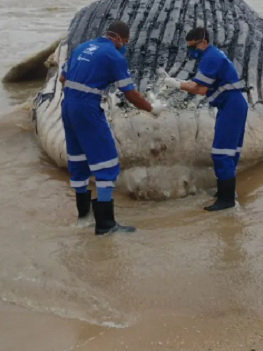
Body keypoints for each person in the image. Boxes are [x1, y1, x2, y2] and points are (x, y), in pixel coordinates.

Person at [59, 21, 163, 235]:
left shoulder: (82, 47)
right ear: (118, 38)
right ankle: (106, 224)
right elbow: (130, 94)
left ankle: (83, 218)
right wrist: (152, 109)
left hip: (68, 106)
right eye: (124, 42)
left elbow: (62, 78)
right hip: (87, 108)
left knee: (78, 160)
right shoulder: (113, 56)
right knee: (106, 164)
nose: (124, 46)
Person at [160, 26, 247, 211]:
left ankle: (226, 200)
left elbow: (200, 89)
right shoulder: (213, 55)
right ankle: (226, 192)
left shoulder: (210, 58)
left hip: (231, 106)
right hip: (234, 104)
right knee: (231, 152)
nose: (190, 51)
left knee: (221, 153)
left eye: (193, 47)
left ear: (204, 43)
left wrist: (176, 84)